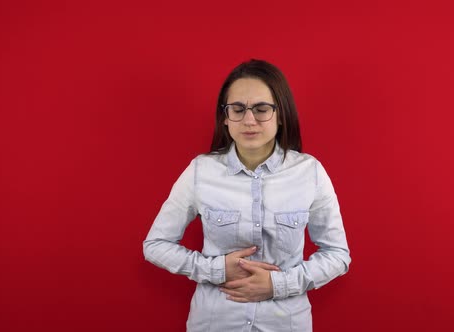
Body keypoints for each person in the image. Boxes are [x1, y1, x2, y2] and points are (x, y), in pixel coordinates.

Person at [143, 59, 351, 331]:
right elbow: (155, 245)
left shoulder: (310, 172)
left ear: (281, 114)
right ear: (225, 117)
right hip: (214, 323)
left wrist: (277, 285)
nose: (249, 120)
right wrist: (215, 270)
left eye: (261, 109)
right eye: (238, 109)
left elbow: (338, 255)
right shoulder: (200, 171)